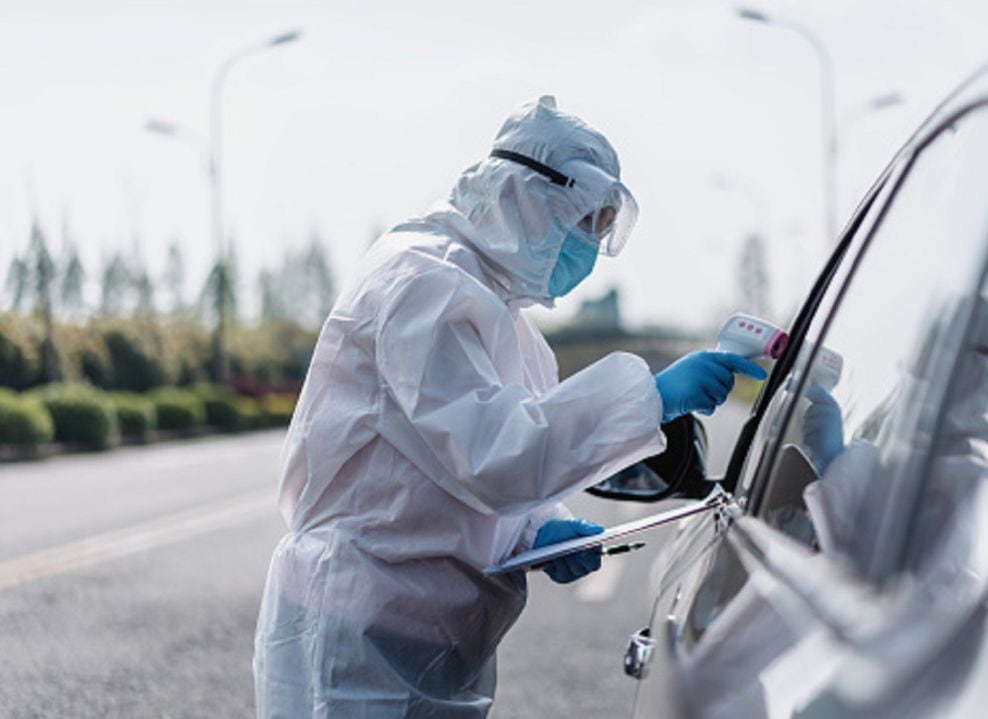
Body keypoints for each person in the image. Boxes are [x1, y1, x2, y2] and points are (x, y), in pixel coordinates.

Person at [252, 95, 767, 718]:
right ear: (527, 197)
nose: (591, 247)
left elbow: (468, 460)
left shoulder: (504, 318)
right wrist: (653, 397)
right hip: (358, 630)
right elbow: (495, 455)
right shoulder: (424, 285)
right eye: (586, 223)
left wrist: (536, 528)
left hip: (423, 631)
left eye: (604, 229)